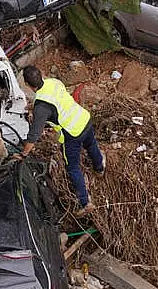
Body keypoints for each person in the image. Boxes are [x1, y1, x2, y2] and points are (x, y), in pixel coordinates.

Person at [14, 65, 106, 217]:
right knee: (91, 145)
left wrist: (24, 154)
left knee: (73, 168)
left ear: (27, 85)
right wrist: (34, 107)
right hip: (84, 118)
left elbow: (34, 135)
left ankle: (85, 202)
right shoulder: (53, 82)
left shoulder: (41, 107)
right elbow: (56, 100)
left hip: (72, 133)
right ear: (41, 74)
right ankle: (99, 169)